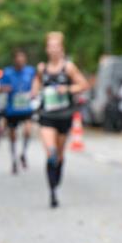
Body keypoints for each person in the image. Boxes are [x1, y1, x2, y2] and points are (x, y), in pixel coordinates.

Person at [33, 32, 89, 208]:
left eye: (56, 46)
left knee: (59, 154)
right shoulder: (42, 68)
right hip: (47, 115)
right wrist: (34, 92)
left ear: (62, 49)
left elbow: (83, 84)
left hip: (64, 115)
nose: (54, 49)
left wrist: (68, 89)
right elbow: (36, 85)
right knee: (51, 153)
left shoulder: (68, 67)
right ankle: (52, 192)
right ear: (47, 49)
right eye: (51, 46)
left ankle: (56, 181)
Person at [1, 48, 36, 175]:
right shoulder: (7, 72)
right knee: (12, 136)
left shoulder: (30, 71)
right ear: (14, 59)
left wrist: (33, 92)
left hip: (26, 107)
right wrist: (5, 88)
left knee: (28, 130)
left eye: (22, 58)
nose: (20, 60)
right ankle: (14, 159)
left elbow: (36, 83)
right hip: (12, 109)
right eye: (18, 58)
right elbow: (1, 87)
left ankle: (23, 153)